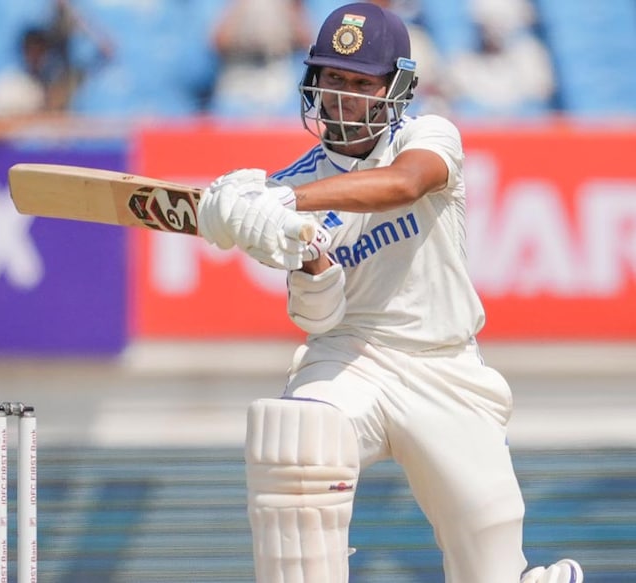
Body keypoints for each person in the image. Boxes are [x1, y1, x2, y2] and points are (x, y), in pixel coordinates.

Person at [195, 3, 583, 582]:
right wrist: (309, 262)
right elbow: (320, 317)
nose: (345, 96)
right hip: (351, 357)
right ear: (313, 83)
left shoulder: (430, 134)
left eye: (361, 82)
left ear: (396, 87)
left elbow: (403, 184)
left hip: (444, 367)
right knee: (298, 439)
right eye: (333, 79)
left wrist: (285, 201)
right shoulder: (293, 183)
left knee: (491, 568)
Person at [207, 0, 311, 116]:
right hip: (238, 75)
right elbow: (217, 42)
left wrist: (292, 7)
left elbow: (309, 43)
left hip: (278, 72)